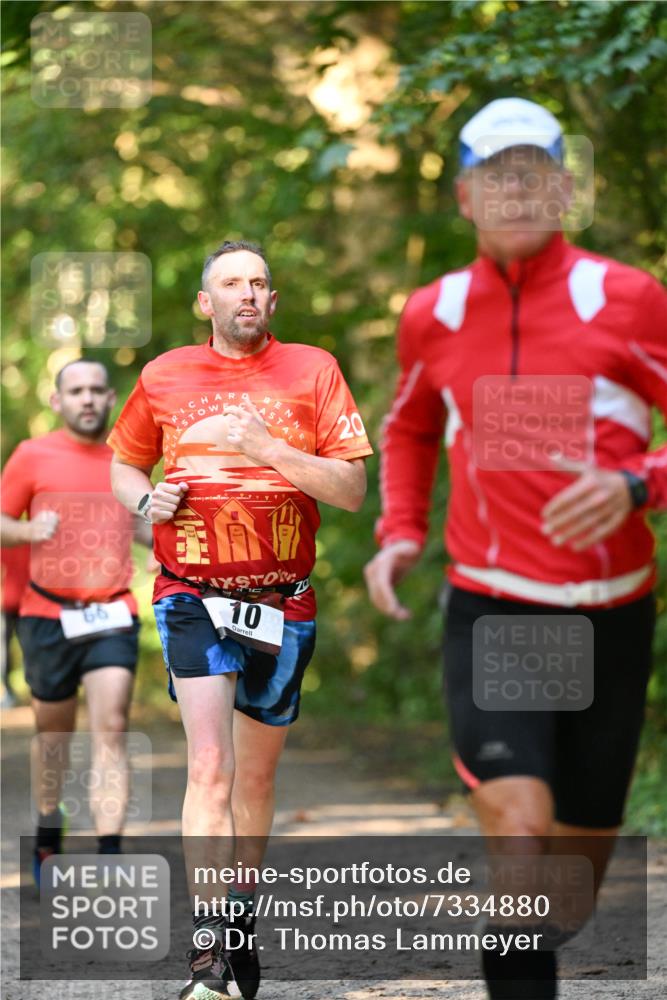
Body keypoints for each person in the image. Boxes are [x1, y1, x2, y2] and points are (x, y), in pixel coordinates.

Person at [364, 97, 667, 999]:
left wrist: (636, 483)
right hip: (494, 604)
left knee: (566, 880)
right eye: (497, 173)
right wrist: (401, 533)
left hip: (609, 612)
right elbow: (410, 427)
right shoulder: (434, 313)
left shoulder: (626, 298)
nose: (517, 187)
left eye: (535, 169)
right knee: (522, 842)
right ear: (464, 195)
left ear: (565, 188)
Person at [108, 240, 372, 1000]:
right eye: (231, 283)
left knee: (253, 780)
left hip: (282, 599)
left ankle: (240, 918)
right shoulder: (163, 376)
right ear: (206, 302)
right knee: (210, 769)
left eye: (259, 282)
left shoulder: (312, 370)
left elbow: (350, 489)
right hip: (189, 593)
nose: (247, 293)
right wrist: (140, 501)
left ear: (272, 300)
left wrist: (264, 445)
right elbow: (126, 463)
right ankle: (207, 958)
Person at [1, 359, 151, 884]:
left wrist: (172, 547)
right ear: (57, 401)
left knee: (111, 726)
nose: (87, 399)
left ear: (112, 398)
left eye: (96, 390)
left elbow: (139, 522)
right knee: (54, 736)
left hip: (112, 612)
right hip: (47, 615)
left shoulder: (128, 458)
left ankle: (110, 853)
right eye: (76, 390)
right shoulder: (31, 456)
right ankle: (48, 835)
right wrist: (29, 531)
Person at [1, 543, 30, 707]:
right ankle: (9, 692)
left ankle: (35, 689)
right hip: (8, 604)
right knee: (4, 651)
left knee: (30, 649)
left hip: (27, 604)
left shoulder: (29, 541)